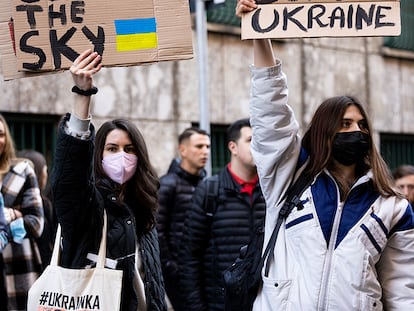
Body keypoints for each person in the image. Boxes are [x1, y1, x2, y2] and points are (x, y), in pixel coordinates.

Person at [236, 1, 414, 310]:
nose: (355, 131)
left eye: (361, 125)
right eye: (344, 124)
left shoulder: (393, 206)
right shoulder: (288, 179)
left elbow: (402, 288)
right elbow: (270, 114)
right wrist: (260, 35)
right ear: (323, 131)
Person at [51, 49, 167, 311]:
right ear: (98, 155)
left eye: (129, 149)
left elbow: (152, 280)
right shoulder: (89, 205)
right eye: (112, 149)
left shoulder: (143, 207)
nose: (122, 157)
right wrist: (82, 96)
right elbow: (69, 180)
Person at [179, 118, 266, 311]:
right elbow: (190, 257)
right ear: (233, 147)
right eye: (251, 139)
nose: (259, 144)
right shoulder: (209, 190)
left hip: (263, 302)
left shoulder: (272, 193)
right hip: (219, 304)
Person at [157, 127, 210, 311]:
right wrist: (171, 267)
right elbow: (157, 230)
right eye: (199, 146)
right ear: (183, 150)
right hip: (177, 273)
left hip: (201, 269)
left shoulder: (206, 184)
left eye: (208, 146)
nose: (205, 151)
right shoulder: (167, 184)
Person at [0, 114, 44, 311]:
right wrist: (15, 213)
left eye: (0, 134)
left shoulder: (22, 170)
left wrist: (7, 217)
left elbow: (36, 223)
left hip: (17, 266)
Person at [17, 149, 57, 270]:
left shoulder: (10, 203)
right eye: (45, 170)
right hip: (38, 270)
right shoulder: (43, 205)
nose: (46, 174)